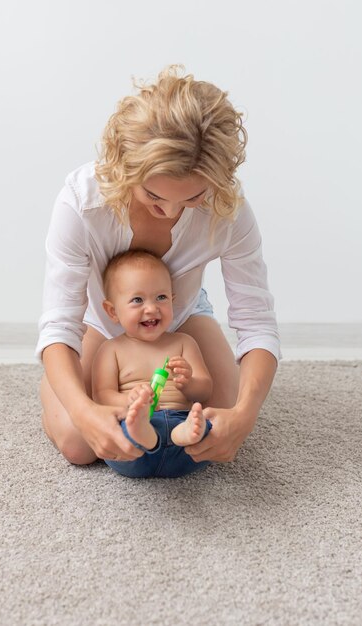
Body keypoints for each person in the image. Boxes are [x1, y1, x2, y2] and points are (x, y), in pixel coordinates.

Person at [37, 64, 280, 467]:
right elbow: (59, 322)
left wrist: (244, 416)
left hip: (183, 315)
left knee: (221, 430)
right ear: (125, 165)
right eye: (154, 195)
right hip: (101, 320)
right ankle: (55, 391)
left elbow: (256, 323)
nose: (169, 213)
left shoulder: (228, 211)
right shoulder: (82, 204)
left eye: (191, 199)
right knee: (80, 445)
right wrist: (82, 411)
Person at [93, 249, 213, 478]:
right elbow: (101, 396)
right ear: (112, 311)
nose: (151, 308)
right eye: (137, 300)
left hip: (181, 420)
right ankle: (147, 434)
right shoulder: (111, 349)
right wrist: (131, 401)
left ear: (173, 301)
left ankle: (181, 435)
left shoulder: (183, 343)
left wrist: (188, 383)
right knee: (122, 433)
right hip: (135, 434)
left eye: (161, 297)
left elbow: (205, 390)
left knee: (208, 427)